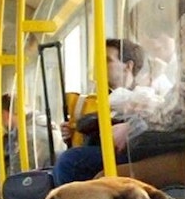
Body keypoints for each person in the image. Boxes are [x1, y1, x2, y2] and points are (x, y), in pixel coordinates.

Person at [51, 39, 152, 184]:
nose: (100, 65)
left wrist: (129, 126)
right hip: (102, 151)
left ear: (128, 66)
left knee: (69, 161)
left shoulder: (144, 97)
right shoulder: (91, 101)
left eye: (107, 60)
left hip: (129, 153)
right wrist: (71, 135)